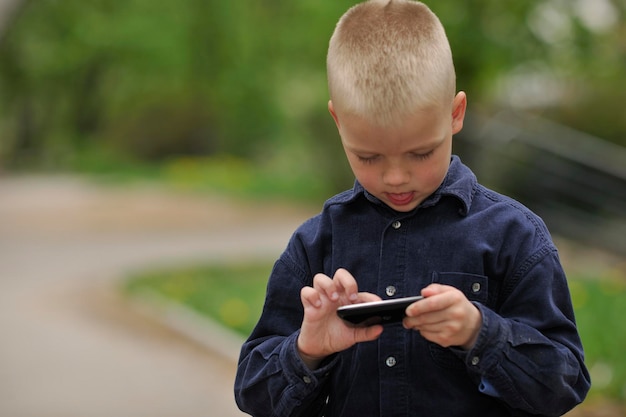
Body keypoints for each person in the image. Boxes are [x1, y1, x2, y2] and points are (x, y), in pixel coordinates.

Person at [234, 1, 591, 416]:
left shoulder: (514, 236)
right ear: (338, 123)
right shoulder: (316, 245)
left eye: (421, 153)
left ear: (456, 114)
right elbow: (253, 394)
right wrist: (308, 349)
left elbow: (565, 385)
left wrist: (481, 333)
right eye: (369, 157)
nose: (396, 177)